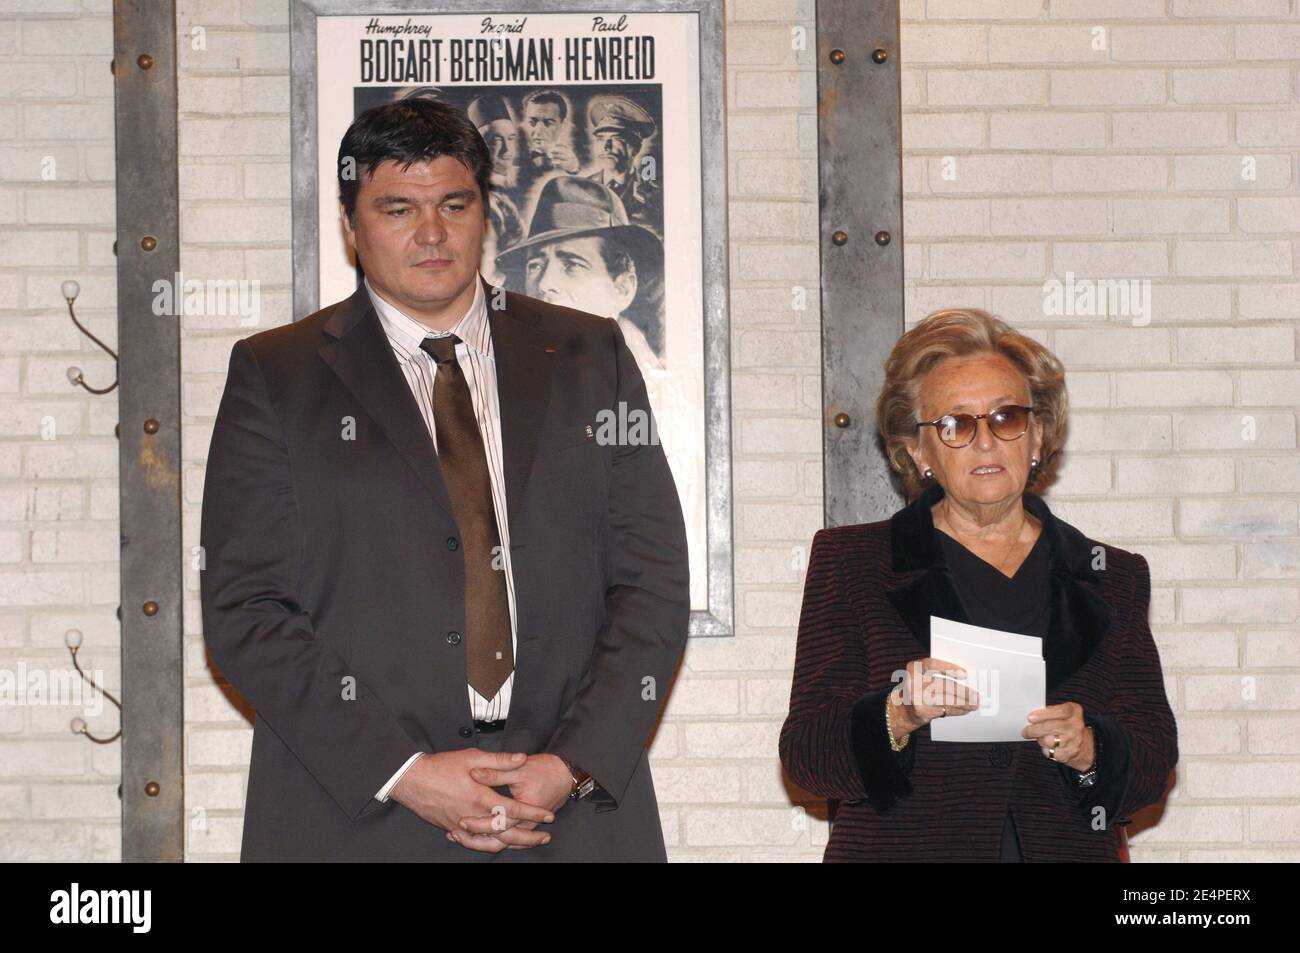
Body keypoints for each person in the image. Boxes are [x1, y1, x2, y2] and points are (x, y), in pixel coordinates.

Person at [199, 97, 689, 861]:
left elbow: (653, 581)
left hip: (568, 817)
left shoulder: (591, 356)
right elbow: (245, 607)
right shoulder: (276, 374)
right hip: (356, 815)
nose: (432, 232)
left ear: (484, 213)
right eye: (398, 208)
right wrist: (404, 773)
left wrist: (569, 764)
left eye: (453, 204)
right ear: (351, 223)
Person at [779, 307, 1178, 862]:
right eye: (955, 424)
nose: (986, 441)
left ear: (1037, 434)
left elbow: (1155, 759)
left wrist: (1089, 746)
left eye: (1006, 417)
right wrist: (899, 713)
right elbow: (806, 754)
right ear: (918, 450)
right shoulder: (853, 562)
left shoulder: (1112, 576)